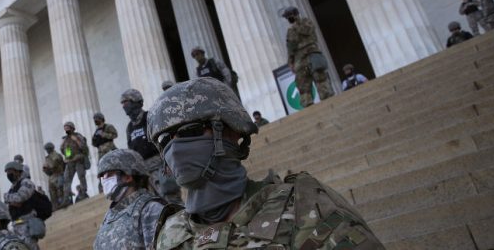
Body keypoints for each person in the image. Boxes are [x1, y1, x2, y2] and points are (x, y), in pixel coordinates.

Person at [149, 77, 384, 249]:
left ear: (232, 132)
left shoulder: (304, 205)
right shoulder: (171, 235)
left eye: (190, 130)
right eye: (166, 140)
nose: (176, 147)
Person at [93, 149, 167, 250]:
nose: (104, 180)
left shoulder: (150, 210)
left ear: (128, 176)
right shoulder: (110, 216)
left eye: (109, 175)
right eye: (102, 177)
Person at [122, 88, 182, 205]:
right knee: (157, 204)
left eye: (126, 102)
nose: (124, 106)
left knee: (171, 199)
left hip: (160, 166)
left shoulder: (149, 117)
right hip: (145, 171)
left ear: (136, 102)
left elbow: (164, 139)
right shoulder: (130, 127)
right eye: (123, 104)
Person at [281, 6, 334, 107]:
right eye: (287, 18)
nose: (288, 19)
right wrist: (291, 63)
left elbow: (308, 32)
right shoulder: (290, 31)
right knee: (303, 85)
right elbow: (290, 48)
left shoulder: (306, 22)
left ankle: (329, 102)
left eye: (289, 17)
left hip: (312, 54)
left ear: (295, 15)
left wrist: (296, 24)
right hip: (299, 60)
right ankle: (308, 107)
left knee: (321, 79)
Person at [4, 161, 45, 250]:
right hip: (16, 224)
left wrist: (7, 197)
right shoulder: (12, 188)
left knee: (30, 247)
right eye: (7, 172)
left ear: (18, 171)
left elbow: (19, 198)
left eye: (10, 171)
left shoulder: (26, 182)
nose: (8, 174)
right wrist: (11, 200)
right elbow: (12, 203)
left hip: (26, 221)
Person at [60, 121, 89, 201]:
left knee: (81, 176)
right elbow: (63, 151)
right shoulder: (65, 139)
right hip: (69, 161)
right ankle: (66, 197)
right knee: (67, 179)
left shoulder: (78, 136)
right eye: (65, 128)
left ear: (72, 128)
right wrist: (62, 146)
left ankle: (83, 192)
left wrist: (76, 140)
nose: (66, 129)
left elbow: (84, 148)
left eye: (68, 127)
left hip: (78, 159)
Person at [42, 142, 65, 209]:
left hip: (58, 175)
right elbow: (44, 168)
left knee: (60, 192)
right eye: (46, 149)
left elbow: (53, 165)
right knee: (52, 194)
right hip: (51, 176)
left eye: (48, 149)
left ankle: (62, 205)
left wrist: (48, 167)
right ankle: (55, 207)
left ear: (51, 148)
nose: (47, 150)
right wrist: (47, 169)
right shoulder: (48, 158)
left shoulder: (56, 155)